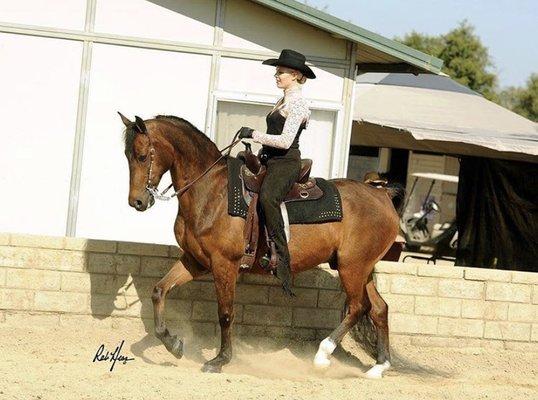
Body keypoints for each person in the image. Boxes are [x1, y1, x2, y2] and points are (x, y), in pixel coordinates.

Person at [237, 49, 316, 297]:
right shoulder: (282, 100)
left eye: (280, 72)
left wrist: (254, 135)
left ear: (295, 74)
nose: (276, 75)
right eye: (277, 71)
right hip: (271, 160)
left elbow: (284, 141)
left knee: (270, 197)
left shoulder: (299, 103)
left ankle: (282, 257)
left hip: (286, 162)